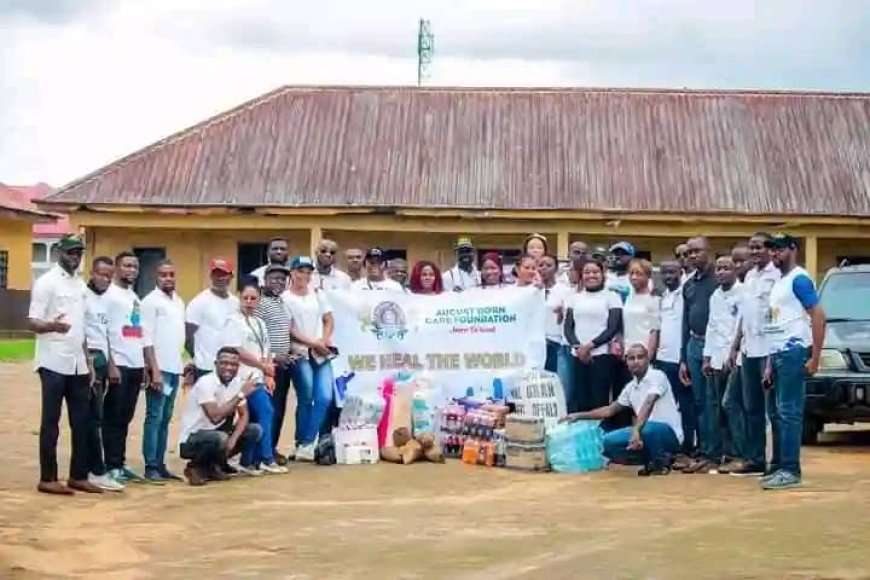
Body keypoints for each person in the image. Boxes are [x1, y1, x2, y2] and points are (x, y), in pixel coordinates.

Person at [29, 234, 102, 495]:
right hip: (52, 361)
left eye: (78, 253)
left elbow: (80, 328)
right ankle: (47, 478)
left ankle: (78, 475)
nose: (74, 257)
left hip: (78, 363)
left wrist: (89, 362)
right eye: (70, 252)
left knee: (81, 421)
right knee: (51, 421)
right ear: (60, 252)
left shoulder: (80, 284)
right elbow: (33, 322)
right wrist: (54, 326)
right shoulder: (46, 283)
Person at [760, 234, 825, 490]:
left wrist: (815, 357)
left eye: (779, 250)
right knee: (776, 412)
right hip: (777, 353)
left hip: (793, 351)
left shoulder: (799, 279)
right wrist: (768, 363)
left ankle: (790, 470)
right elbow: (776, 324)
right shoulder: (780, 283)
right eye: (772, 251)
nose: (775, 254)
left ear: (793, 249)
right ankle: (779, 466)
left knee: (789, 412)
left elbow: (818, 316)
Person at [562, 344, 683, 476]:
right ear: (626, 362)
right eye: (631, 358)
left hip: (667, 434)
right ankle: (654, 460)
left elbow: (649, 402)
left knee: (647, 429)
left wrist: (636, 429)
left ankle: (662, 459)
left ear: (648, 360)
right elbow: (609, 410)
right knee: (605, 442)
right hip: (644, 433)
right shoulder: (630, 387)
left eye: (640, 357)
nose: (636, 361)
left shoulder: (658, 376)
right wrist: (578, 415)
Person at [726, 232, 780, 477]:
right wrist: (735, 346)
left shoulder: (777, 276)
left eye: (759, 247)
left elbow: (776, 318)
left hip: (768, 351)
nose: (755, 252)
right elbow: (744, 317)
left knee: (773, 409)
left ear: (770, 249)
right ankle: (755, 459)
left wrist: (772, 358)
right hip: (748, 351)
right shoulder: (749, 276)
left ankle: (778, 460)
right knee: (751, 408)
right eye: (752, 248)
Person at [686, 256, 743, 474]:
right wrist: (708, 357)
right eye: (718, 268)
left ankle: (737, 453)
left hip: (735, 359)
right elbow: (711, 327)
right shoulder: (716, 295)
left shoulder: (742, 293)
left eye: (726, 268)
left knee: (732, 407)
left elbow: (740, 327)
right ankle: (718, 454)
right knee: (715, 408)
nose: (721, 272)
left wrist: (733, 353)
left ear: (735, 271)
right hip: (716, 359)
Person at [226, 282, 287, 474]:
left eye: (253, 299)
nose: (249, 302)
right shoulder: (232, 321)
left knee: (253, 418)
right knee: (266, 411)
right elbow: (237, 350)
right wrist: (262, 366)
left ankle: (247, 460)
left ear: (259, 300)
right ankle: (266, 458)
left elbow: (266, 350)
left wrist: (268, 373)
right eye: (245, 298)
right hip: (243, 379)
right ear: (239, 297)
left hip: (259, 376)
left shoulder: (259, 323)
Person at [177, 347, 260, 486]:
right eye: (224, 363)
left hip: (218, 434)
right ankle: (195, 467)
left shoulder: (237, 383)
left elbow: (244, 415)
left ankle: (214, 465)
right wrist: (240, 395)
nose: (228, 367)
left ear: (238, 366)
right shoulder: (206, 382)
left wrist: (233, 439)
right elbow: (215, 417)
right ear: (216, 364)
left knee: (254, 430)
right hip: (192, 438)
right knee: (220, 438)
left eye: (233, 364)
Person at [284, 256, 336, 461]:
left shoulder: (318, 294)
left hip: (321, 353)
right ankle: (302, 443)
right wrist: (314, 343)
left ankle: (306, 442)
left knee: (324, 397)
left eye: (308, 271)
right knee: (305, 397)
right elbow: (290, 329)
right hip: (300, 352)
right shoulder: (286, 298)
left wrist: (323, 340)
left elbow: (328, 319)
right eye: (300, 271)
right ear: (292, 273)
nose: (304, 275)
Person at [103, 251, 148, 485]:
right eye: (127, 266)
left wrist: (144, 365)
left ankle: (119, 463)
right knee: (113, 417)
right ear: (117, 268)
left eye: (135, 267)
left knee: (125, 418)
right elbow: (106, 333)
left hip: (135, 365)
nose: (131, 270)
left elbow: (136, 332)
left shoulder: (133, 296)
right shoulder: (109, 295)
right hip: (118, 364)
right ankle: (109, 466)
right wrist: (111, 365)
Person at [140, 259, 186, 482]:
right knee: (154, 416)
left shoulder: (178, 301)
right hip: (159, 369)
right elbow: (145, 338)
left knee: (166, 417)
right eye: (163, 275)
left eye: (171, 274)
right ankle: (150, 466)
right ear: (156, 277)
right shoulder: (150, 302)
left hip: (174, 367)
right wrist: (153, 370)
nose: (168, 278)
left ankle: (160, 463)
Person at [83, 256, 124, 492]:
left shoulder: (105, 301)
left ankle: (95, 468)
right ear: (92, 272)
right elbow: (82, 333)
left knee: (97, 416)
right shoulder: (83, 297)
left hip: (102, 361)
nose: (105, 279)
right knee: (92, 417)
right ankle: (95, 470)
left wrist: (112, 364)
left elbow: (106, 334)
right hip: (88, 359)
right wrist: (88, 364)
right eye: (101, 274)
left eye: (109, 275)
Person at [679, 237, 719, 473]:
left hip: (715, 347)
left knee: (714, 402)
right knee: (699, 401)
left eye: (697, 251)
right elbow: (685, 322)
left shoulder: (719, 280)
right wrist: (683, 358)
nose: (693, 256)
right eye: (689, 252)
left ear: (709, 251)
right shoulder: (689, 284)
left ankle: (715, 452)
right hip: (694, 344)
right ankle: (704, 451)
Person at [563, 259, 622, 413]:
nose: (591, 275)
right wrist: (578, 348)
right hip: (577, 356)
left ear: (603, 274)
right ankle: (582, 434)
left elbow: (612, 328)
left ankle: (598, 434)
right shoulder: (574, 298)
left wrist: (589, 346)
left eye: (595, 272)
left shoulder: (612, 297)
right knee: (580, 399)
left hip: (601, 355)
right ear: (581, 275)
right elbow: (568, 328)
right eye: (587, 272)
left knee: (599, 400)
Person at [654, 260, 695, 463]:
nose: (668, 276)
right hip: (663, 359)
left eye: (672, 272)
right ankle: (672, 445)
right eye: (664, 272)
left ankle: (688, 447)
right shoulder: (664, 296)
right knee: (668, 406)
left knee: (686, 406)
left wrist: (683, 359)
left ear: (681, 272)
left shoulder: (685, 295)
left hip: (679, 360)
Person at [254, 264, 295, 465]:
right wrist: (273, 357)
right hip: (268, 366)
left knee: (279, 409)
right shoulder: (260, 303)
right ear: (265, 280)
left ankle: (271, 448)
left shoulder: (282, 303)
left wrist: (289, 353)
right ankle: (262, 452)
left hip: (284, 365)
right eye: (274, 278)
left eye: (282, 279)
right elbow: (259, 335)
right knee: (267, 410)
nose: (278, 282)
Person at [185, 258, 240, 379]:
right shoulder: (199, 302)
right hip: (206, 366)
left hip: (230, 367)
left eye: (224, 274)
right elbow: (188, 336)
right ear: (211, 276)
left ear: (231, 276)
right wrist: (197, 358)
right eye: (216, 274)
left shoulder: (236, 302)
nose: (220, 278)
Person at [539, 254, 573, 393]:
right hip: (537, 344)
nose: (544, 268)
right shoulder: (532, 290)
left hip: (557, 343)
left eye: (549, 265)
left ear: (556, 269)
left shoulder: (565, 291)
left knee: (557, 387)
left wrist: (562, 312)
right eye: (541, 265)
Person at [622, 259, 661, 361]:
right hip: (627, 352)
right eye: (631, 273)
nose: (634, 277)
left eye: (639, 274)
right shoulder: (629, 298)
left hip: (642, 354)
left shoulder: (654, 299)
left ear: (648, 276)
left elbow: (654, 331)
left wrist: (649, 356)